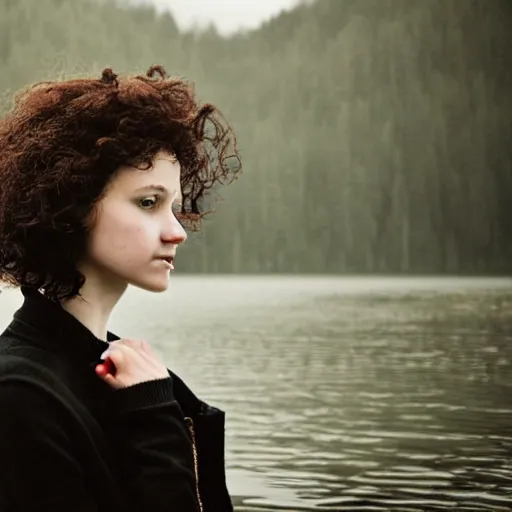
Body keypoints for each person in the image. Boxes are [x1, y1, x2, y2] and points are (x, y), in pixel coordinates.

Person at [0, 65, 241, 512]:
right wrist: (154, 418)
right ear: (69, 204)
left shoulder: (133, 376)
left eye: (176, 206)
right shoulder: (20, 395)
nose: (177, 232)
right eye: (148, 203)